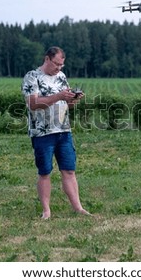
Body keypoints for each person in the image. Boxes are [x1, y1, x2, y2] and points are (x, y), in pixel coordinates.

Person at [21, 46, 90, 219]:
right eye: (56, 64)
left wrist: (72, 100)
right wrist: (59, 96)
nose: (59, 68)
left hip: (63, 130)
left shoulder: (61, 77)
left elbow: (66, 103)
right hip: (42, 132)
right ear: (47, 59)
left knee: (69, 170)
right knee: (44, 172)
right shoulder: (32, 77)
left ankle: (78, 208)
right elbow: (33, 104)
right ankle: (46, 211)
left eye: (62, 65)